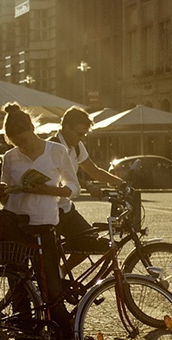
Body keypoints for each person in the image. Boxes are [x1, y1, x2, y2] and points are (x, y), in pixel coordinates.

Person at [0, 103, 95, 340]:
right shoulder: (10, 157)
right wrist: (1, 191)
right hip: (16, 227)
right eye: (16, 143)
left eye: (24, 141)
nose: (22, 147)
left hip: (45, 226)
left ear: (32, 130)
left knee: (52, 294)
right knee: (19, 295)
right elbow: (3, 196)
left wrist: (46, 189)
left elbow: (72, 189)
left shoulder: (56, 151)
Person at [52, 107, 125, 269]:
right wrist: (87, 185)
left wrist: (120, 183)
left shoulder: (76, 146)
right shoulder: (53, 146)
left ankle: (62, 274)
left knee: (89, 240)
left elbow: (94, 171)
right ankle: (47, 285)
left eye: (84, 135)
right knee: (52, 255)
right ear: (66, 128)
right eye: (79, 134)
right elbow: (61, 177)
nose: (81, 138)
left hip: (66, 208)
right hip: (50, 210)